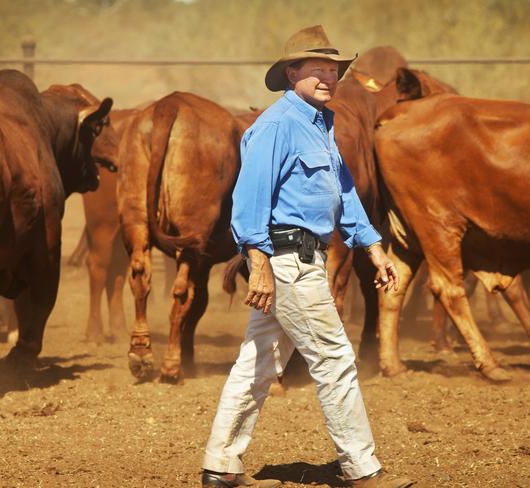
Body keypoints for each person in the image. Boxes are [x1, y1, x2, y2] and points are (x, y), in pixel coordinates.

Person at [202, 25, 412, 488]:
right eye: (316, 69)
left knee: (256, 364)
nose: (327, 77)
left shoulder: (322, 124)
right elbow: (249, 199)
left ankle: (221, 466)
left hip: (299, 258)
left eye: (333, 70)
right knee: (335, 360)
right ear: (291, 72)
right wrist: (258, 263)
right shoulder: (276, 126)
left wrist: (374, 248)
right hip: (289, 260)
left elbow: (344, 191)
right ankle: (363, 471)